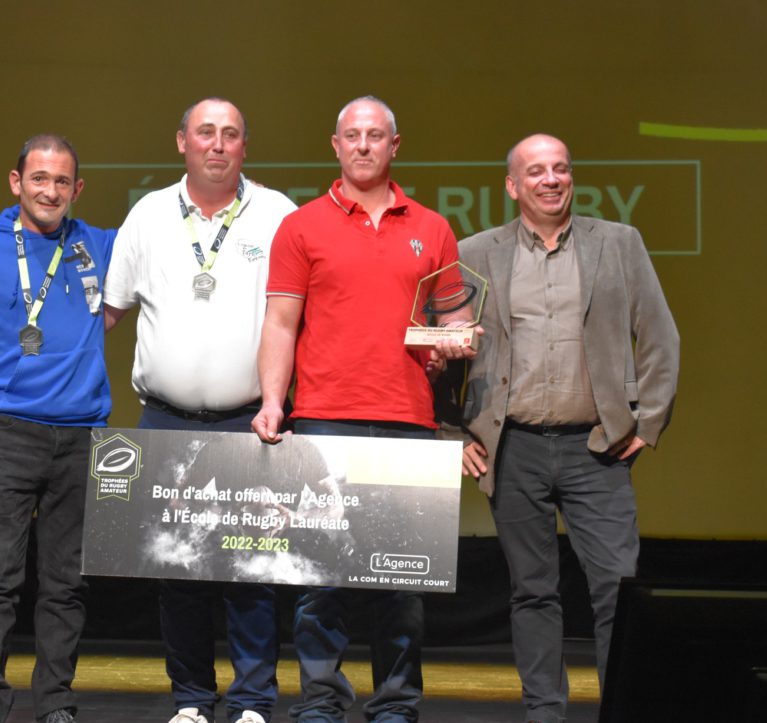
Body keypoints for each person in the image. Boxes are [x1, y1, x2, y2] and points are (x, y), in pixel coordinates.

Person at [438, 133, 679, 722]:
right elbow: (441, 350)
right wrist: (451, 434)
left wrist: (647, 422)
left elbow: (660, 338)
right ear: (512, 185)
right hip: (513, 447)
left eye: (561, 169)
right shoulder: (475, 252)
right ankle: (545, 713)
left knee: (618, 589)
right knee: (532, 591)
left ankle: (624, 709)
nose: (551, 179)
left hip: (597, 449)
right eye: (537, 171)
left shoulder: (619, 243)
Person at [252, 96, 475, 723]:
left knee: (401, 582)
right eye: (353, 135)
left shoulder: (432, 227)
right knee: (321, 578)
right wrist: (274, 402)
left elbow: (455, 317)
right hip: (324, 418)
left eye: (376, 136)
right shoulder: (301, 227)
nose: (363, 146)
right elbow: (279, 320)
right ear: (336, 144)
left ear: (394, 146)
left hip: (409, 420)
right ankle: (321, 703)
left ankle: (396, 705)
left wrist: (453, 343)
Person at [104, 97, 298, 723]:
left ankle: (251, 702)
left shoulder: (277, 214)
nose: (218, 144)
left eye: (231, 134)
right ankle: (191, 700)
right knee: (176, 567)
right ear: (181, 141)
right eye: (206, 132)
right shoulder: (149, 214)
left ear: (246, 146)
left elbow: (301, 316)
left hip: (252, 420)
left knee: (253, 570)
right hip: (165, 418)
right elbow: (109, 312)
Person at [0, 134, 115, 723]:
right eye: (39, 178)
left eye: (62, 181)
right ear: (15, 182)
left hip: (82, 438)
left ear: (77, 189)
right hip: (7, 434)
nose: (50, 191)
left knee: (65, 585)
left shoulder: (99, 245)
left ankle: (55, 703)